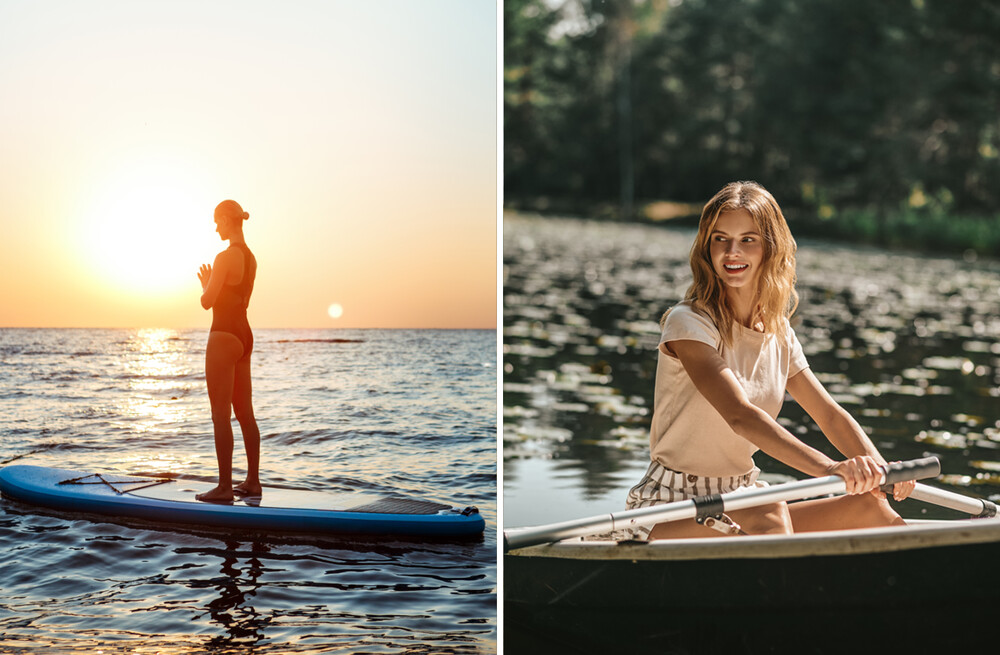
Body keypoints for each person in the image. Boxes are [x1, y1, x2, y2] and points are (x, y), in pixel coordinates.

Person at [626, 181, 914, 539]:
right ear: (706, 247)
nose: (732, 252)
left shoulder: (779, 333)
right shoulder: (689, 323)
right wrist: (830, 468)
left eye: (748, 239)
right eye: (720, 239)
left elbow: (828, 414)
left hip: (740, 496)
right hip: (672, 504)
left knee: (869, 506)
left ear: (770, 247)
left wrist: (881, 471)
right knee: (768, 510)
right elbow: (740, 415)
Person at [195, 199, 261, 503]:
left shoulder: (223, 257)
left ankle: (223, 488)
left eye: (216, 222)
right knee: (245, 414)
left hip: (223, 336)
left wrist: (207, 283)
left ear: (225, 219)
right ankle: (253, 482)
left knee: (220, 415)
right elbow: (236, 298)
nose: (215, 228)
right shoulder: (251, 258)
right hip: (244, 335)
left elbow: (207, 301)